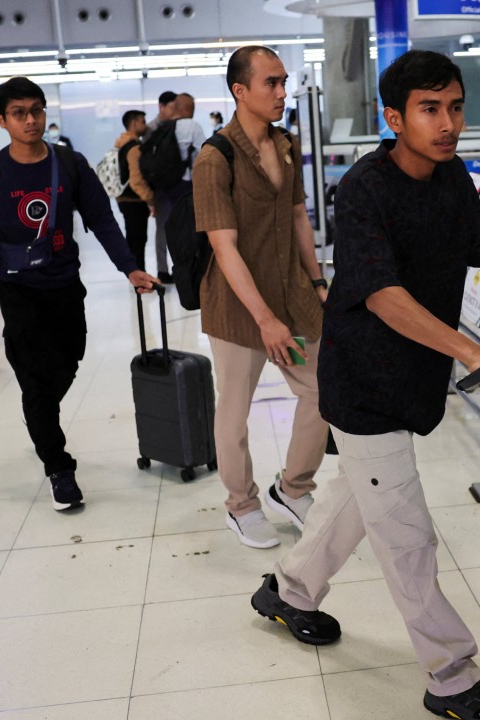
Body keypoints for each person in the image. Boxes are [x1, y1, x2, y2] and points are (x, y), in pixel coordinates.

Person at [250, 50, 480, 720]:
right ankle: (451, 675)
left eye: (455, 108)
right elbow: (382, 295)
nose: (448, 124)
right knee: (406, 535)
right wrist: (474, 351)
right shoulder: (364, 189)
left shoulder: (450, 175)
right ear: (393, 117)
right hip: (364, 382)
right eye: (429, 109)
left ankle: (289, 591)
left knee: (357, 497)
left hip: (412, 375)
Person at [0, 77, 159, 512]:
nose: (30, 120)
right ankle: (58, 466)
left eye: (36, 110)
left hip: (65, 284)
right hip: (17, 288)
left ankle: (40, 414)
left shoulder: (69, 163)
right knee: (35, 380)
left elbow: (101, 219)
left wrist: (129, 267)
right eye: (19, 113)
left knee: (69, 359)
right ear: (1, 120)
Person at [192, 46, 327, 549]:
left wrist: (317, 282)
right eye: (271, 83)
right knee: (235, 410)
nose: (281, 92)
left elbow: (297, 217)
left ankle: (293, 488)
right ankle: (241, 505)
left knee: (322, 390)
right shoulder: (214, 159)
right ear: (240, 90)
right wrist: (265, 320)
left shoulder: (286, 144)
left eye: (283, 81)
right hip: (237, 306)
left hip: (291, 293)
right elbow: (224, 248)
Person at [150, 92, 206, 284]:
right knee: (188, 229)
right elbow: (203, 155)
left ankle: (163, 270)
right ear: (190, 108)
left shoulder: (162, 127)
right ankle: (189, 271)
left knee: (163, 229)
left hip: (163, 188)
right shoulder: (193, 127)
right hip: (185, 186)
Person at [114, 109, 157, 271]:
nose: (145, 126)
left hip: (124, 198)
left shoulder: (120, 144)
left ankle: (136, 273)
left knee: (133, 239)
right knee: (138, 240)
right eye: (143, 122)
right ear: (134, 123)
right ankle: (139, 275)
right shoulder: (134, 148)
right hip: (134, 199)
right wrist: (151, 199)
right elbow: (137, 180)